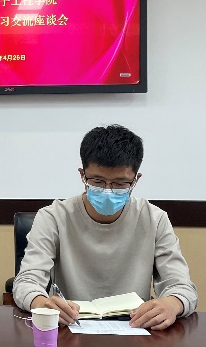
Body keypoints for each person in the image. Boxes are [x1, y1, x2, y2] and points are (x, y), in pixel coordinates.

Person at [13, 125, 197, 331]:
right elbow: (26, 282)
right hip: (71, 327)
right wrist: (41, 303)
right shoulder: (53, 217)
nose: (108, 191)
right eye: (98, 181)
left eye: (120, 183)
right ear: (82, 175)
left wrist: (172, 304)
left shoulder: (155, 219)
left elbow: (182, 287)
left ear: (136, 179)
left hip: (135, 327)